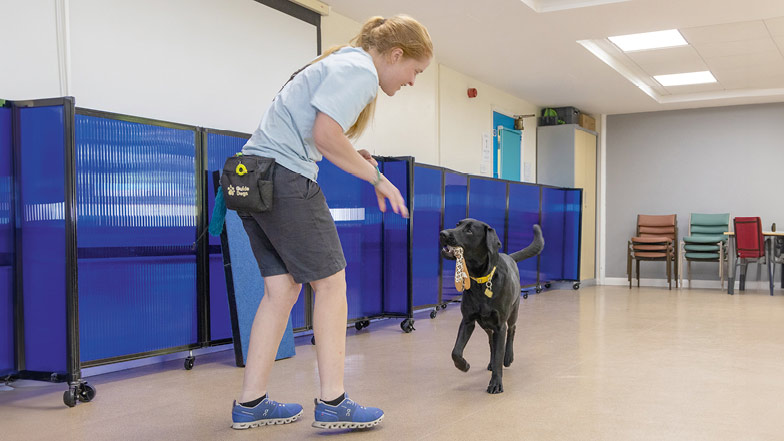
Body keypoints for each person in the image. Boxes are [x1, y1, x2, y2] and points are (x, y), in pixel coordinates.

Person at [230, 15, 433, 430]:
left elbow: (316, 132)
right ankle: (333, 402)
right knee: (332, 283)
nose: (413, 81)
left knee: (281, 291)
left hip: (251, 176)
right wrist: (379, 178)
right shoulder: (359, 69)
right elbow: (325, 135)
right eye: (415, 70)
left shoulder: (341, 61)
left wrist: (359, 159)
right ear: (396, 55)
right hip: (285, 178)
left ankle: (250, 403)